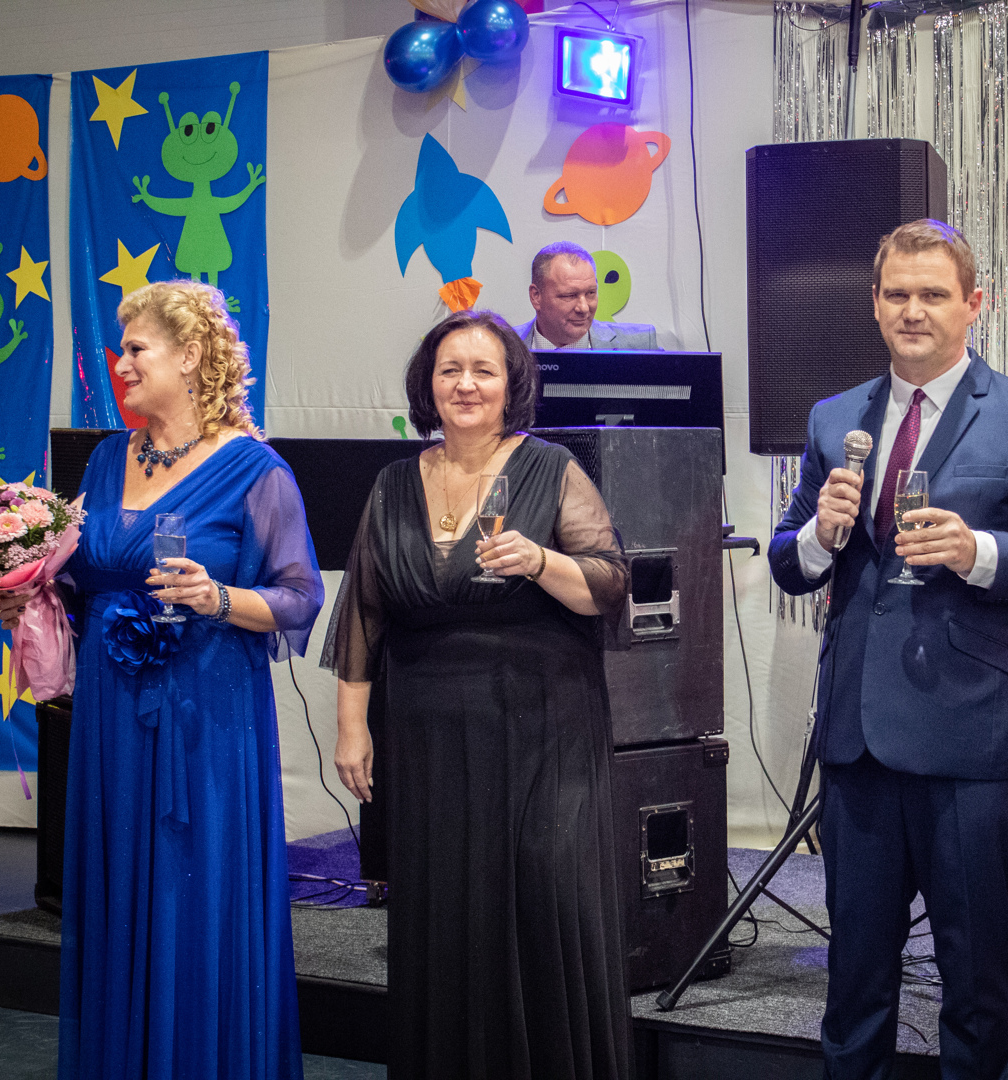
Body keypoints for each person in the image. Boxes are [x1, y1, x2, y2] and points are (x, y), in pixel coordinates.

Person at [769, 219, 1008, 1079]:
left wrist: (977, 550)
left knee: (976, 979)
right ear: (875, 305)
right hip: (858, 740)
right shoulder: (835, 418)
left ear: (972, 304)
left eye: (933, 294)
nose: (912, 310)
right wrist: (819, 534)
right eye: (897, 294)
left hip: (969, 739)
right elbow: (787, 561)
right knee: (854, 979)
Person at [0, 280, 323, 1079]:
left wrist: (219, 598)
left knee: (194, 892)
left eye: (137, 349)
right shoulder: (107, 459)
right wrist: (23, 594)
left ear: (191, 357)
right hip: (111, 718)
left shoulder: (256, 471)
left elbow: (299, 597)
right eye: (121, 350)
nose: (121, 364)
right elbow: (80, 580)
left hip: (204, 720)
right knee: (118, 893)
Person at [323, 309, 630, 1079]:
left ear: (511, 384)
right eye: (450, 369)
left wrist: (540, 562)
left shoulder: (551, 468)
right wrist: (353, 727)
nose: (466, 384)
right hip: (428, 735)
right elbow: (364, 612)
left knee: (542, 901)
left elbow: (610, 585)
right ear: (427, 385)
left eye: (483, 370)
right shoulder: (394, 484)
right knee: (447, 911)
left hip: (543, 729)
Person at [514, 241, 658, 350]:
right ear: (536, 296)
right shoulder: (505, 347)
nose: (583, 308)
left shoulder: (640, 345)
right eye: (569, 295)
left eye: (590, 293)